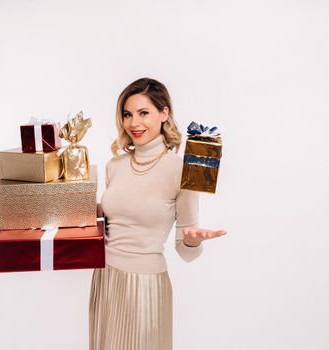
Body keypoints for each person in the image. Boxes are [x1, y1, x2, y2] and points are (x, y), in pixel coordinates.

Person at [89, 77, 227, 350]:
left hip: (146, 285)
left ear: (164, 114)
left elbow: (185, 250)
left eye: (144, 113)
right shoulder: (113, 166)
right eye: (127, 114)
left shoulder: (184, 170)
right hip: (104, 278)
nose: (134, 123)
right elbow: (109, 224)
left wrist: (192, 239)